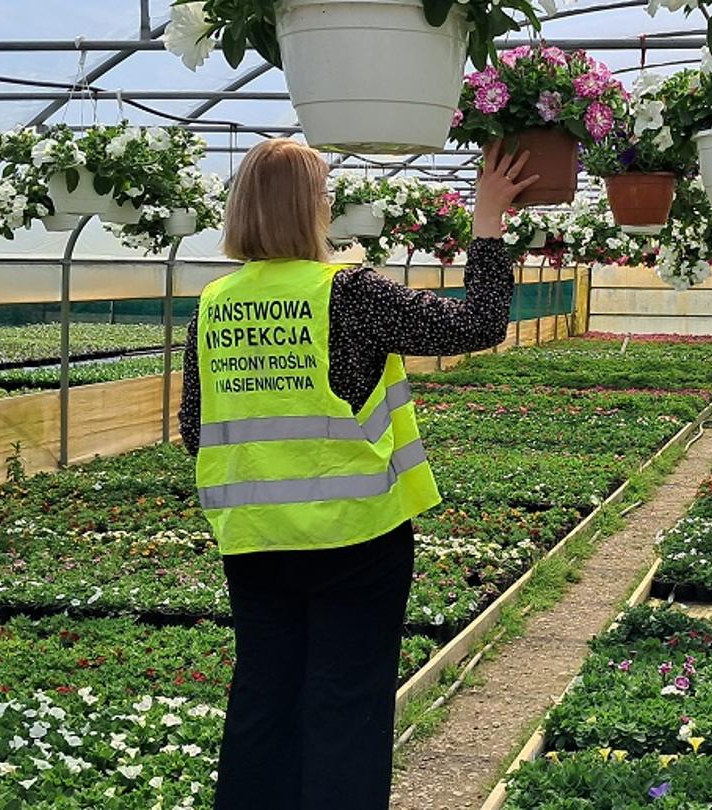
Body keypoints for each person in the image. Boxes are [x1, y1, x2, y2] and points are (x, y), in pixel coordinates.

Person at [178, 139, 539, 809]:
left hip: (254, 541)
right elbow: (479, 323)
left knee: (263, 700)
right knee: (345, 707)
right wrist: (487, 222)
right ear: (309, 208)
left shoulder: (214, 304)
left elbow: (195, 429)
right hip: (355, 540)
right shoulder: (349, 293)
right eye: (323, 193)